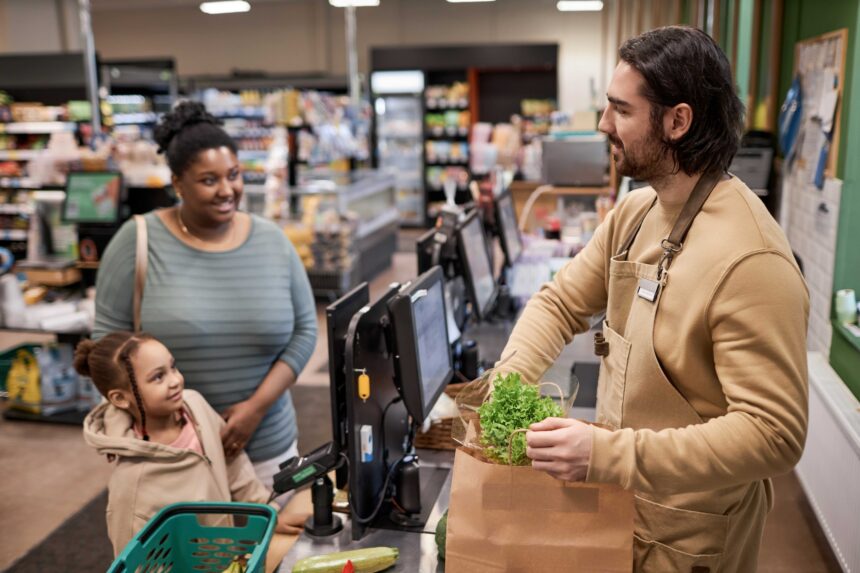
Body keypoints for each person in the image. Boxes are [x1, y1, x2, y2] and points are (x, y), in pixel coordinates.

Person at [499, 27, 809, 572]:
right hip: (623, 512)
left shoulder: (751, 260)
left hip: (692, 539)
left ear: (677, 121)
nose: (602, 124)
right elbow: (560, 303)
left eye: (620, 110)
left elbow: (774, 433)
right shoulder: (637, 213)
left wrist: (604, 454)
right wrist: (506, 386)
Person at [94, 101, 317, 490]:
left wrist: (254, 410)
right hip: (175, 458)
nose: (227, 190)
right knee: (192, 552)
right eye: (208, 180)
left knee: (276, 548)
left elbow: (305, 331)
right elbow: (106, 344)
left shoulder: (271, 241)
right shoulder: (138, 241)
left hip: (268, 447)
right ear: (177, 182)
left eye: (234, 175)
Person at [79, 332, 309, 556]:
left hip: (224, 556)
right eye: (158, 377)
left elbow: (233, 464)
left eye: (173, 367)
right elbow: (132, 560)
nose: (176, 380)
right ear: (120, 398)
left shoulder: (195, 406)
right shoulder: (131, 484)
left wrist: (269, 513)